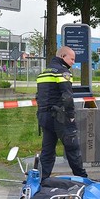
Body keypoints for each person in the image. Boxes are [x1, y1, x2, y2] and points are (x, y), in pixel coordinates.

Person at [36, 46, 88, 181]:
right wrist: (71, 115)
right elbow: (67, 96)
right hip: (60, 116)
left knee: (47, 150)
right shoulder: (63, 72)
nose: (73, 62)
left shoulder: (44, 73)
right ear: (63, 56)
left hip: (44, 116)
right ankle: (84, 180)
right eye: (71, 59)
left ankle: (41, 180)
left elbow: (39, 96)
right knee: (72, 148)